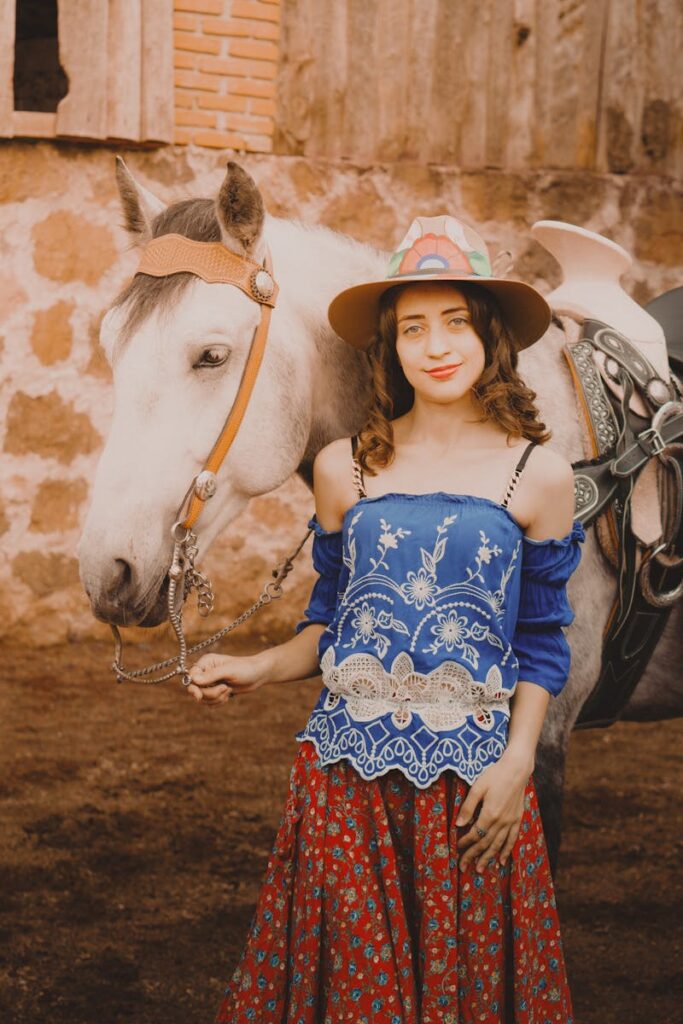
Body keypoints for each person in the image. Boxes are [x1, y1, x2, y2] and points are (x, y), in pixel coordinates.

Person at [187, 215, 585, 1023]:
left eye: (455, 322)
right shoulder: (343, 471)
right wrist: (256, 666)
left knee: (461, 987)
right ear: (389, 346)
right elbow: (331, 628)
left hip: (472, 784)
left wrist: (515, 766)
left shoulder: (537, 477)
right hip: (344, 781)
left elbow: (543, 642)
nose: (435, 345)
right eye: (412, 327)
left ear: (489, 337)